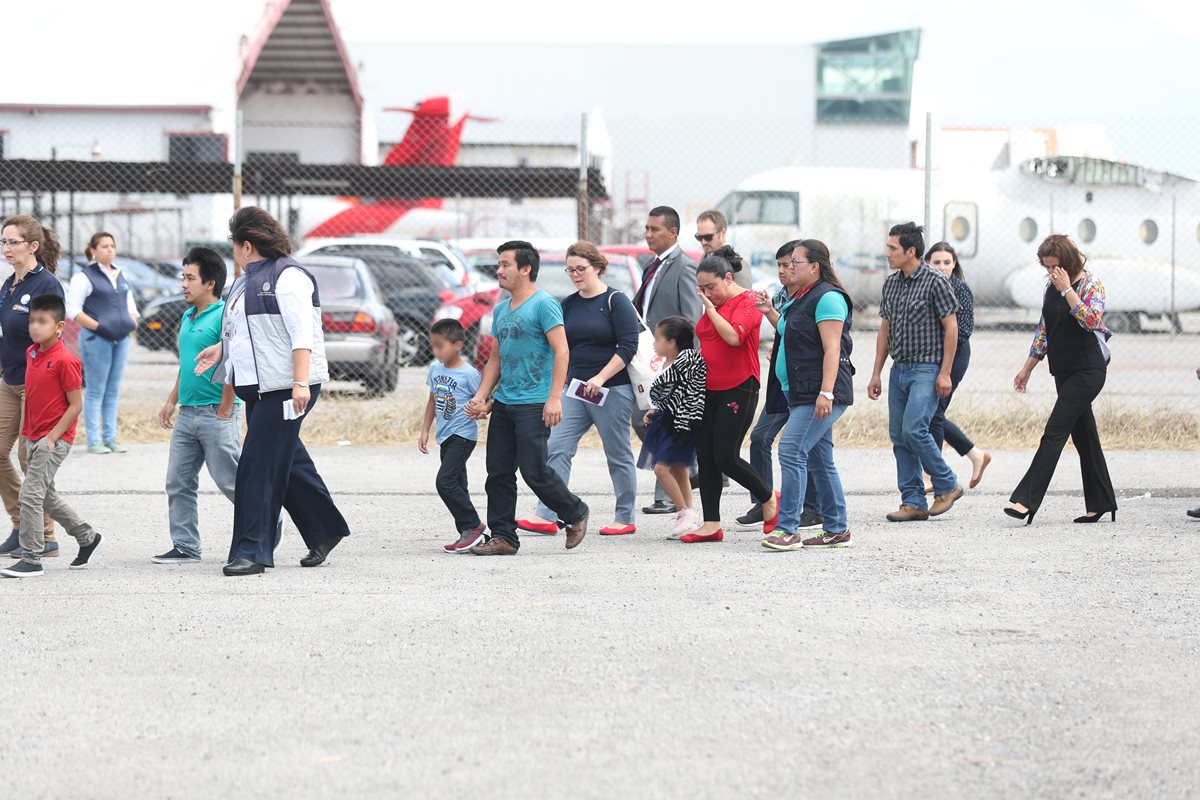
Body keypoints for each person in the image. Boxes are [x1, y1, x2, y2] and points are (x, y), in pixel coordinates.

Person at [194, 207, 350, 576]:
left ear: (246, 245)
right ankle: (324, 530)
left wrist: (299, 384)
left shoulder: (289, 276)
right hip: (260, 390)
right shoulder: (243, 281)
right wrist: (221, 350)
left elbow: (302, 334)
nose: (233, 252)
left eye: (234, 245)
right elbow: (243, 331)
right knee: (288, 461)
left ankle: (253, 551)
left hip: (286, 389)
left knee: (257, 466)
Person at [464, 241, 589, 556]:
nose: (499, 270)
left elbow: (562, 351)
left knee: (534, 471)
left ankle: (574, 512)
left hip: (534, 402)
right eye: (499, 264)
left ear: (525, 268)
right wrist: (482, 396)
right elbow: (495, 359)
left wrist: (554, 398)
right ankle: (504, 536)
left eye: (506, 264)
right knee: (498, 472)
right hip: (506, 401)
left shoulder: (544, 304)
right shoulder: (502, 309)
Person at [517, 241, 640, 537]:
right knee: (556, 447)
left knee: (617, 451)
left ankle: (625, 517)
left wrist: (600, 377)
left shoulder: (616, 300)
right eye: (570, 269)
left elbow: (628, 346)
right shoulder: (568, 304)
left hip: (610, 387)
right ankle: (547, 514)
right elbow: (560, 347)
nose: (575, 274)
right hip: (577, 388)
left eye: (580, 269)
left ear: (597, 267)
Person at [1006, 235, 1116, 525]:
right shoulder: (1050, 287)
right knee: (1085, 439)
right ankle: (1102, 502)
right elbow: (1045, 329)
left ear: (1068, 262)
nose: (1051, 272)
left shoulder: (1091, 285)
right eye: (1047, 267)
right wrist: (1028, 367)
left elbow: (1091, 320)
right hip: (1063, 371)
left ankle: (1025, 501)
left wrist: (1068, 290)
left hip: (1088, 370)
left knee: (1054, 432)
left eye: (1055, 266)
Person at [866, 222, 964, 522]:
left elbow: (952, 328)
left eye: (892, 248)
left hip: (927, 368)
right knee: (899, 436)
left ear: (911, 251)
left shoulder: (935, 282)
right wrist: (876, 373)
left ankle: (947, 484)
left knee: (914, 429)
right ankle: (913, 501)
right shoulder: (891, 284)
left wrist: (945, 372)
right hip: (900, 369)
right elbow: (885, 329)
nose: (887, 253)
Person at [761, 240, 855, 551]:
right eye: (787, 263)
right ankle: (837, 528)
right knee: (820, 458)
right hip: (801, 390)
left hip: (820, 392)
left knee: (790, 449)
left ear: (814, 267)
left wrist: (826, 393)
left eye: (795, 262)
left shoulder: (827, 298)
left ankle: (788, 529)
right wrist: (769, 313)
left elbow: (833, 348)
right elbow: (791, 333)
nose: (788, 267)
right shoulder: (800, 297)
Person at [1, 294, 102, 578]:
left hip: (53, 440)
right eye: (32, 320)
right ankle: (88, 537)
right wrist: (28, 434)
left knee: (29, 495)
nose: (35, 326)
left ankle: (32, 557)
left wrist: (52, 437)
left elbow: (76, 405)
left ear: (59, 327)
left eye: (42, 321)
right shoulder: (32, 353)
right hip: (34, 437)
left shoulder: (66, 360)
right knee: (46, 497)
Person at [684, 245, 777, 544]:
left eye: (711, 287)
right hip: (707, 388)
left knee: (725, 456)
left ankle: (768, 499)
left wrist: (709, 309)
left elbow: (735, 338)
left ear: (727, 277)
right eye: (702, 289)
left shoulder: (747, 300)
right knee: (706, 457)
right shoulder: (715, 302)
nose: (707, 294)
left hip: (739, 385)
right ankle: (711, 523)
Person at [154, 248, 241, 564]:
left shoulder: (224, 316)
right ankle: (186, 546)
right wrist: (171, 401)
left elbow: (234, 361)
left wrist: (225, 408)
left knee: (230, 482)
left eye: (190, 278)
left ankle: (268, 527)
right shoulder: (186, 317)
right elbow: (187, 366)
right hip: (187, 412)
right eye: (183, 277)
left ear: (210, 283)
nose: (184, 284)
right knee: (178, 481)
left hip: (217, 411)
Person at [738, 240, 822, 531]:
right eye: (780, 265)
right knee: (760, 437)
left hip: (807, 383)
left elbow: (822, 342)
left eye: (789, 264)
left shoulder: (818, 297)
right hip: (782, 380)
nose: (784, 271)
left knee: (809, 446)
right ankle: (764, 501)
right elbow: (786, 330)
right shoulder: (781, 296)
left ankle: (813, 509)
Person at [633, 206, 703, 515]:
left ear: (672, 233)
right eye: (646, 229)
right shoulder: (652, 265)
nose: (648, 234)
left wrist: (682, 364)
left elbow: (691, 320)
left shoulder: (684, 267)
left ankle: (671, 494)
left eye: (654, 229)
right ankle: (684, 471)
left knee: (660, 422)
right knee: (645, 419)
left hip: (672, 360)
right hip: (651, 356)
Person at [0, 216, 63, 559]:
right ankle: (20, 526)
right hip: (8, 380)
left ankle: (44, 535)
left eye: (13, 242)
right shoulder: (10, 283)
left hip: (35, 383)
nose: (6, 248)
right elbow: (7, 333)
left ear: (33, 246)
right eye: (4, 242)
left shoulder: (46, 286)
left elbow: (52, 337)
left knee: (29, 458)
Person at [924, 242, 991, 492]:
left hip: (955, 355)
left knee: (934, 413)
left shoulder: (959, 289)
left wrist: (933, 347)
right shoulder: (925, 287)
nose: (942, 267)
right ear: (927, 263)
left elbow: (962, 331)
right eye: (936, 262)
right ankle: (975, 455)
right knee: (931, 413)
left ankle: (932, 475)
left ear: (954, 264)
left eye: (947, 262)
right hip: (932, 357)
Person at [67, 232, 138, 455]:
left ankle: (111, 438)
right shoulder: (84, 277)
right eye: (104, 246)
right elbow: (73, 310)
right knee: (96, 390)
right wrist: (99, 327)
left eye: (112, 246)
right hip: (96, 339)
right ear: (93, 251)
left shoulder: (119, 274)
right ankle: (94, 439)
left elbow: (131, 306)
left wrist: (131, 323)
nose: (110, 250)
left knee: (112, 390)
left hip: (121, 339)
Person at [419, 318, 485, 553]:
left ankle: (474, 526)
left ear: (457, 345)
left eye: (440, 346)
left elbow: (482, 403)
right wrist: (425, 429)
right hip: (445, 437)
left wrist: (481, 412)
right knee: (458, 484)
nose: (435, 351)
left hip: (463, 436)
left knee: (445, 482)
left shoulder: (470, 374)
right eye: (433, 346)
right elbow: (432, 399)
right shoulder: (435, 369)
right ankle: (467, 534)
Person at [637, 316, 706, 538]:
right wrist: (653, 409)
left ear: (673, 342)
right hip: (665, 421)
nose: (654, 343)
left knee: (661, 468)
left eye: (658, 339)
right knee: (679, 469)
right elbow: (664, 395)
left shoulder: (686, 361)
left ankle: (684, 512)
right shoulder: (666, 362)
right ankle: (689, 514)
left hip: (681, 424)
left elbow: (683, 393)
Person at [695, 209, 753, 290]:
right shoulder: (704, 259)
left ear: (723, 232)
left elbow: (745, 299)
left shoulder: (737, 265)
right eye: (699, 237)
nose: (703, 242)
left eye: (708, 237)